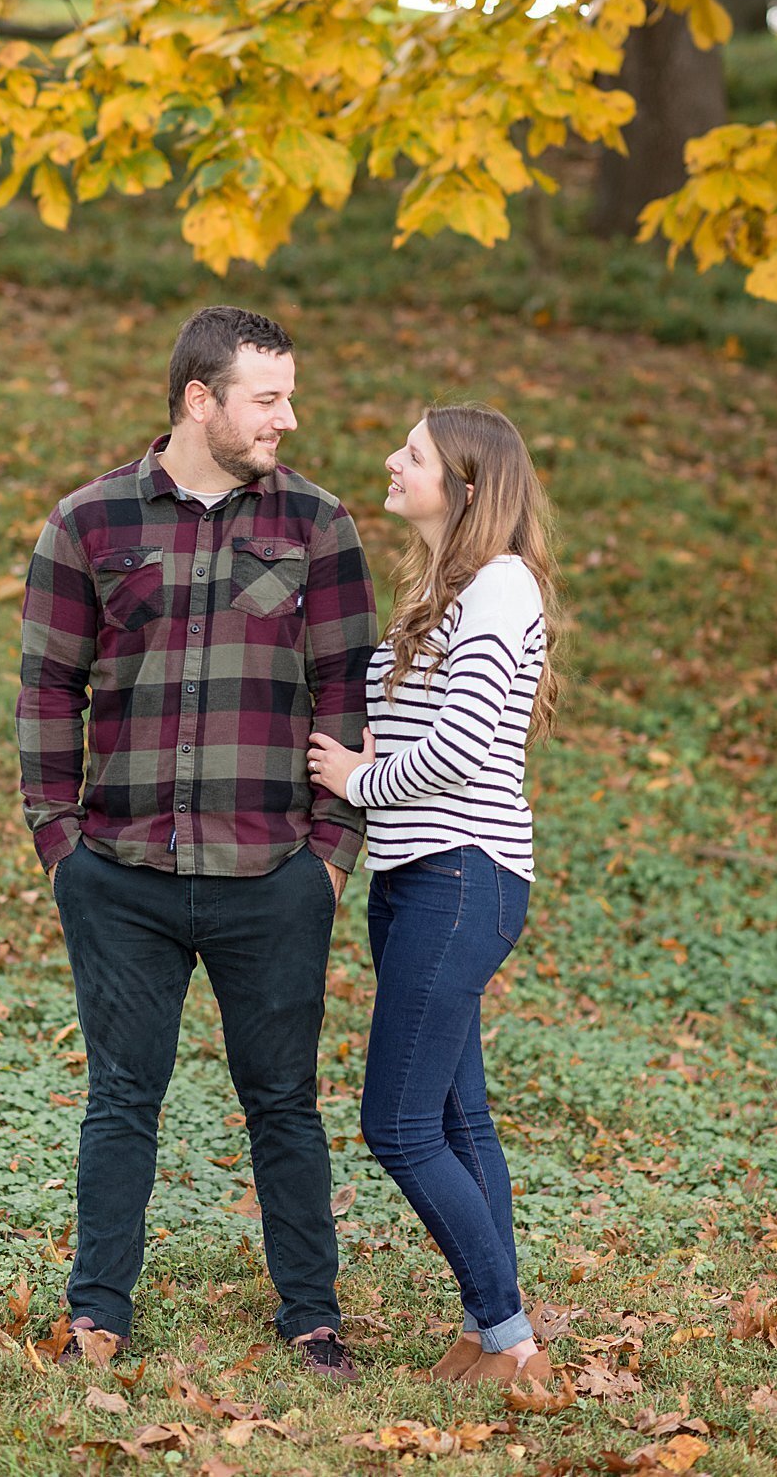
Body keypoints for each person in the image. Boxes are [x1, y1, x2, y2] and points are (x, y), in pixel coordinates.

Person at [16, 305, 376, 1381]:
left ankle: (312, 1318)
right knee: (122, 1098)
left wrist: (328, 856)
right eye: (268, 399)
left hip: (272, 873)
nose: (289, 419)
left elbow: (350, 693)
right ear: (199, 399)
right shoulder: (88, 522)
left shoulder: (317, 525)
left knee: (284, 1103)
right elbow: (47, 688)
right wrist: (59, 842)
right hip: (119, 873)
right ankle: (97, 1317)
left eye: (288, 397)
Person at [307, 404, 560, 1385]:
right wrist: (376, 759)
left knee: (399, 1125)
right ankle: (483, 1333)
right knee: (459, 1120)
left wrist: (356, 783)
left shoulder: (498, 588)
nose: (390, 462)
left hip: (462, 876)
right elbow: (427, 728)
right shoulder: (447, 589)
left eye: (409, 454)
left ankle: (515, 1344)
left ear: (464, 484)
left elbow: (460, 748)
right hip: (420, 877)